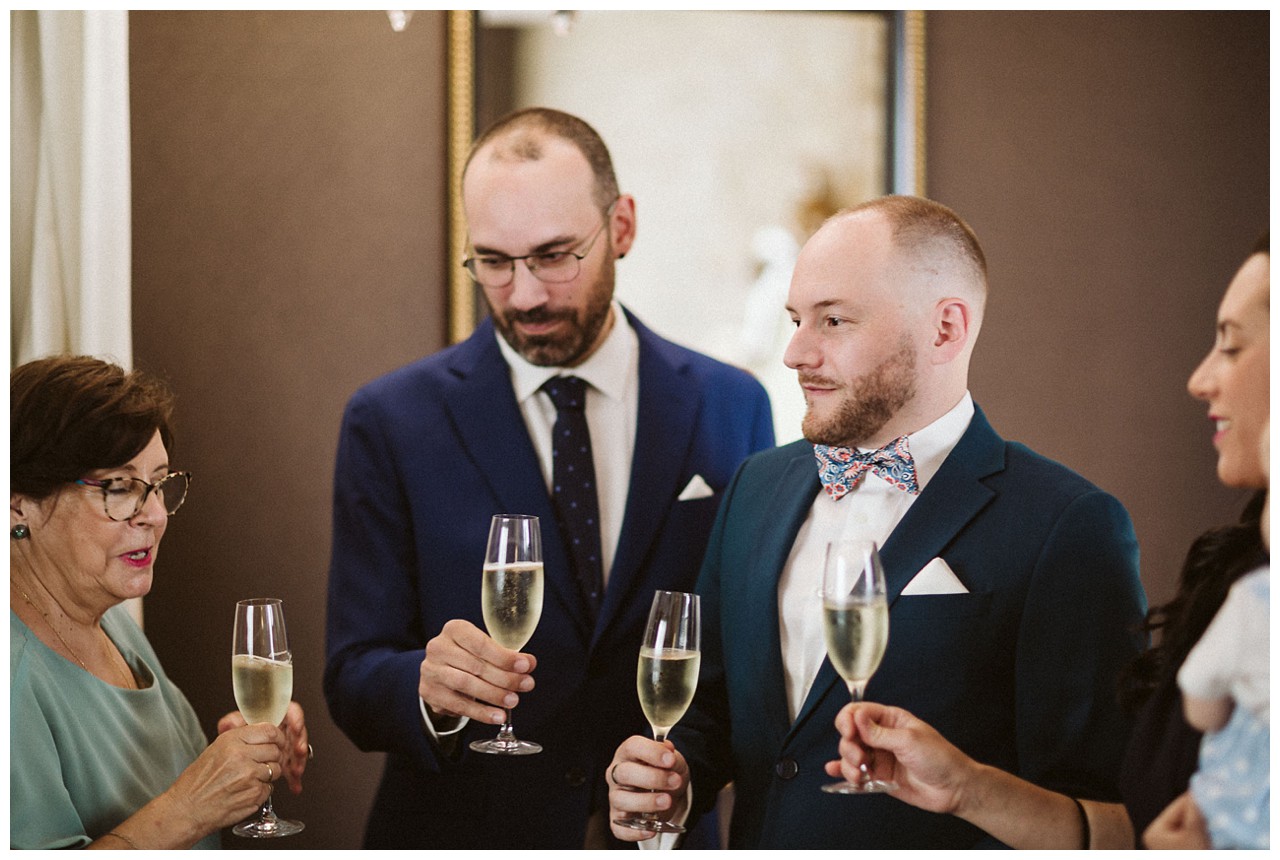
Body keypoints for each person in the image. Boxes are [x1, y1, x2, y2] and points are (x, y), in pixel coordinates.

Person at [607, 195, 1147, 849]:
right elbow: (714, 712)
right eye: (796, 319)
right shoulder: (758, 486)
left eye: (832, 321)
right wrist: (671, 782)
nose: (796, 352)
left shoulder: (1068, 525)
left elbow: (1101, 810)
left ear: (946, 328)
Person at [323, 107, 775, 849]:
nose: (525, 295)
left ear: (622, 226)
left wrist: (686, 774)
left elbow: (745, 657)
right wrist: (425, 688)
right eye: (494, 262)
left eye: (555, 255)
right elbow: (352, 674)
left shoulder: (731, 405)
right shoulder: (390, 419)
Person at [823, 233, 1269, 849]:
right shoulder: (1232, 575)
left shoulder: (1070, 519)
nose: (1198, 380)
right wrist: (968, 787)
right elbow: (1132, 830)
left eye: (1232, 344)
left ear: (946, 329)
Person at [10, 355, 311, 850]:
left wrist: (238, 761)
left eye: (159, 483)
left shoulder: (112, 622)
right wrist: (192, 807)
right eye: (118, 487)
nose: (153, 514)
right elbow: (178, 806)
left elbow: (161, 787)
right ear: (20, 500)